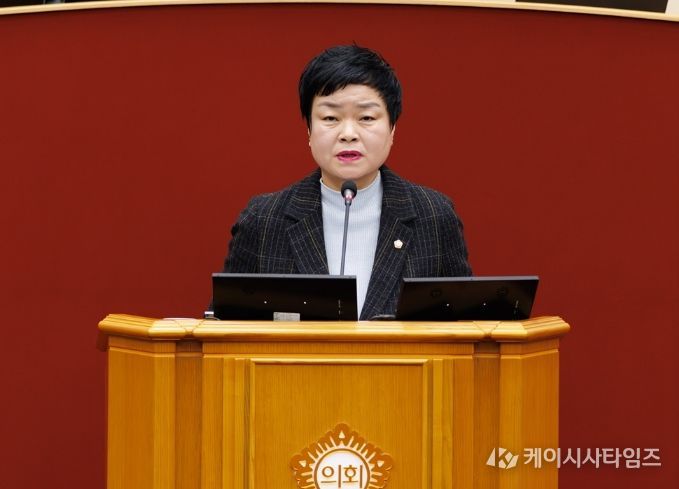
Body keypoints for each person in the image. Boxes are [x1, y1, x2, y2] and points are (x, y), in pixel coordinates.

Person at [219, 45, 471, 320]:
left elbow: (465, 325)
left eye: (366, 118)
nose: (348, 133)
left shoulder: (434, 216)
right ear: (309, 130)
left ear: (392, 129)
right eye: (330, 118)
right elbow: (224, 327)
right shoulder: (264, 220)